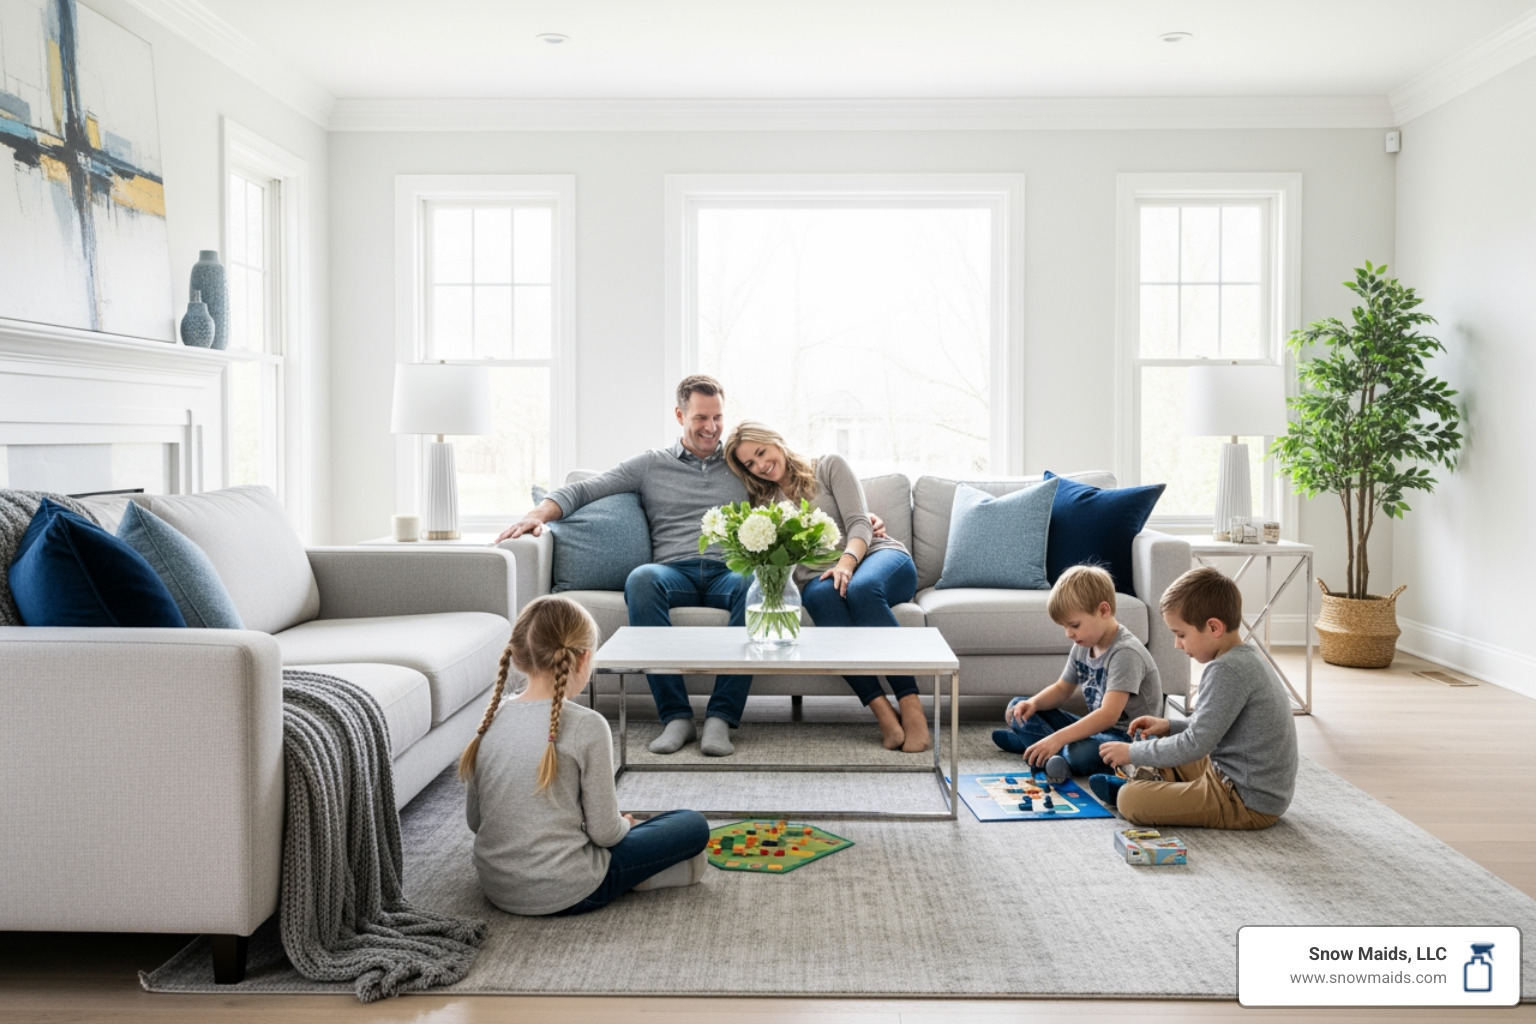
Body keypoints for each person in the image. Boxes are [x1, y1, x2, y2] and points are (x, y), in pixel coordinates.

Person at [496, 375, 754, 757]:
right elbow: (586, 489)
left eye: (718, 417)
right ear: (680, 414)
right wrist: (537, 514)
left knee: (756, 583)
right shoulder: (652, 464)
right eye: (701, 418)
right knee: (642, 579)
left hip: (728, 572)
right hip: (673, 571)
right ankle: (676, 717)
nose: (711, 428)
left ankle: (721, 717)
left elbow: (796, 482)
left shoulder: (740, 461)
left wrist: (858, 519)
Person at [459, 595, 710, 916]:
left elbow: (475, 821)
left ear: (519, 657)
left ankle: (637, 872)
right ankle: (641, 877)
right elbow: (605, 835)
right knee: (693, 825)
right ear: (583, 659)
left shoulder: (491, 716)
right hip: (569, 889)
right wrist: (624, 826)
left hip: (497, 888)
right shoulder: (587, 725)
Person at [725, 421, 930, 753]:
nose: (761, 465)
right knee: (821, 598)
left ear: (775, 440)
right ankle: (883, 713)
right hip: (820, 580)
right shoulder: (764, 502)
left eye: (761, 453)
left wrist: (846, 565)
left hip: (878, 557)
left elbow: (859, 523)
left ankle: (911, 707)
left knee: (862, 590)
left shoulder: (828, 466)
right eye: (750, 463)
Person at [1094, 566, 1299, 830]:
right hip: (1240, 777)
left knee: (1130, 801)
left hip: (1245, 799)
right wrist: (1169, 726)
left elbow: (1196, 743)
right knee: (1164, 741)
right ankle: (1154, 784)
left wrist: (1132, 752)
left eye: (1181, 634)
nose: (1177, 645)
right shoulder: (1244, 657)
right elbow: (1214, 728)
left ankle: (1138, 788)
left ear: (1213, 627)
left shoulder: (1225, 670)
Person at [993, 565, 1164, 777]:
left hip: (1126, 739)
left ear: (1103, 611)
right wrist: (1033, 703)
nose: (1068, 634)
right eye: (1065, 627)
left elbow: (1108, 716)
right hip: (1098, 730)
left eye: (1074, 625)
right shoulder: (1083, 645)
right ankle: (1041, 748)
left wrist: (1057, 739)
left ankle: (1034, 744)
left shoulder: (1125, 653)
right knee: (1017, 707)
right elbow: (1062, 688)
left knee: (1078, 754)